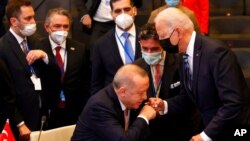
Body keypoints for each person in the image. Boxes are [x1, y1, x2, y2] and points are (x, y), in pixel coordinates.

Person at [153, 7, 250, 141]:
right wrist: (164, 105)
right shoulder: (183, 55)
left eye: (163, 36)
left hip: (231, 130)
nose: (161, 41)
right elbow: (188, 96)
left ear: (178, 32)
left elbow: (233, 103)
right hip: (207, 125)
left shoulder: (216, 53)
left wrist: (205, 136)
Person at [134, 23, 197, 141]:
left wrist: (164, 105)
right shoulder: (135, 67)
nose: (149, 53)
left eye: (154, 49)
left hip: (178, 129)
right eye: (145, 48)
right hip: (149, 133)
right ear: (139, 45)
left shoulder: (181, 62)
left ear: (163, 45)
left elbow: (190, 98)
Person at [0, 0, 52, 140]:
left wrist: (45, 56)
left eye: (33, 17)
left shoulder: (35, 41)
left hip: (41, 116)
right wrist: (19, 123)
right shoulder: (3, 48)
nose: (33, 22)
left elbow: (50, 75)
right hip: (20, 123)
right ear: (14, 21)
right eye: (28, 18)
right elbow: (4, 93)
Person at [71, 64, 157, 141]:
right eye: (140, 93)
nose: (145, 97)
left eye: (146, 91)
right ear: (122, 92)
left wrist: (156, 106)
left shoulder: (132, 96)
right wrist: (144, 117)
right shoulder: (99, 106)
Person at [41, 8, 91, 129]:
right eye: (57, 26)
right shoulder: (38, 48)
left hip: (74, 111)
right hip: (47, 112)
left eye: (65, 26)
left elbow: (87, 81)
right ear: (47, 27)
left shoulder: (80, 49)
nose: (62, 30)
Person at [91, 0, 142, 95]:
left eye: (127, 9)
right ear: (112, 14)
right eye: (118, 11)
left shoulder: (146, 36)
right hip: (114, 102)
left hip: (145, 98)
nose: (123, 14)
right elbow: (96, 83)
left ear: (134, 10)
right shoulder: (101, 44)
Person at [78, 0, 142, 48]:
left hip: (125, 22)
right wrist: (84, 15)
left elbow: (139, 3)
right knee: (95, 48)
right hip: (100, 25)